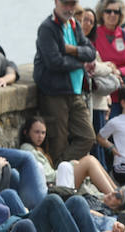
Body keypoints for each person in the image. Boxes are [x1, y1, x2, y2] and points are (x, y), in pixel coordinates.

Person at [34, 0, 97, 164]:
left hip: (74, 91)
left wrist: (72, 50)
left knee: (88, 136)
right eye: (65, 4)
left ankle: (61, 168)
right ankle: (59, 175)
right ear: (56, 2)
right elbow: (54, 62)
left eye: (72, 4)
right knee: (58, 141)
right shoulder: (47, 28)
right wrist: (79, 62)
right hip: (54, 92)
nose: (69, 8)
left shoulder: (74, 24)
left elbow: (91, 52)